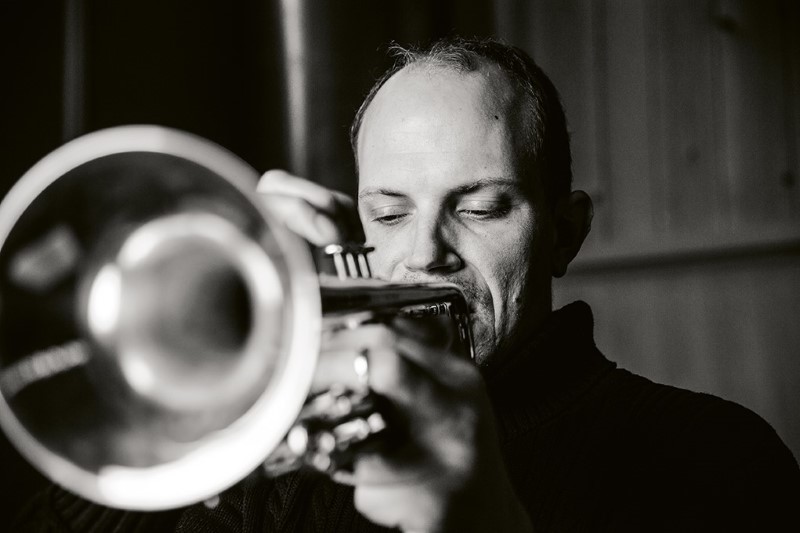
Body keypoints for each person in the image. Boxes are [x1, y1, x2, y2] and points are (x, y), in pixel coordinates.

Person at [15, 36, 800, 532]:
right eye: (389, 213)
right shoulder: (282, 447)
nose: (423, 252)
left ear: (565, 232)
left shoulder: (714, 455)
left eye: (481, 208)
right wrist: (211, 413)